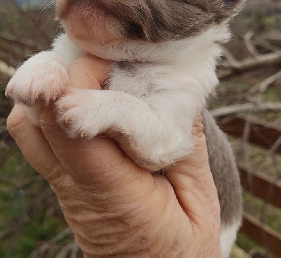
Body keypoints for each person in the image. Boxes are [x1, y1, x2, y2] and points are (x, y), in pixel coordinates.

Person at [7, 55, 222, 258]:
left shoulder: (180, 72)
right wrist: (46, 63)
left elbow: (159, 148)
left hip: (197, 219)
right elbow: (44, 112)